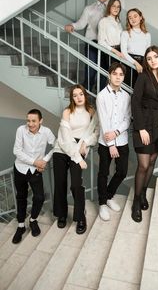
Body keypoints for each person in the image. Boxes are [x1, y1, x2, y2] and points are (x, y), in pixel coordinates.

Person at [131, 46, 158, 222]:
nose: (152, 60)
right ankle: (136, 201)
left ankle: (142, 195)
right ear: (146, 62)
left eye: (155, 57)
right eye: (148, 58)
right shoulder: (143, 77)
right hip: (145, 124)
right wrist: (140, 128)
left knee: (151, 162)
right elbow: (135, 102)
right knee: (142, 165)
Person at [53, 84, 99, 234]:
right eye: (75, 95)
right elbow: (65, 138)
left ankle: (80, 216)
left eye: (81, 94)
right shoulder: (67, 112)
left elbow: (96, 133)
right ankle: (62, 214)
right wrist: (78, 157)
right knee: (60, 183)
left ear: (85, 95)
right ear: (71, 98)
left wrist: (86, 143)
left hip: (80, 146)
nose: (78, 97)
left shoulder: (92, 111)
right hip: (62, 149)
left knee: (75, 184)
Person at [12, 109, 55, 244]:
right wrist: (36, 162)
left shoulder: (46, 132)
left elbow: (57, 145)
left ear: (40, 121)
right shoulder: (21, 130)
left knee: (39, 197)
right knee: (21, 196)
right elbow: (16, 151)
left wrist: (45, 160)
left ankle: (33, 220)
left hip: (36, 170)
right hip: (20, 168)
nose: (30, 124)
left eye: (33, 121)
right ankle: (20, 226)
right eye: (28, 120)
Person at [96, 62, 131, 221]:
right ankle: (102, 203)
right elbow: (104, 122)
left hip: (122, 140)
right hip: (105, 143)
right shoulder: (102, 96)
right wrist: (111, 145)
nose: (118, 77)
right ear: (109, 75)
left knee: (122, 171)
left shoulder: (126, 96)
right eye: (115, 74)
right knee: (103, 172)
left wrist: (117, 133)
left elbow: (127, 119)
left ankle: (109, 196)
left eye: (121, 74)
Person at [64, 0, 109, 91]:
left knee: (104, 72)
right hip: (92, 43)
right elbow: (81, 23)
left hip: (107, 46)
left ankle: (101, 96)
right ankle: (87, 94)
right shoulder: (89, 9)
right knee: (91, 71)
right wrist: (72, 26)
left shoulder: (111, 8)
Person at [98, 0, 125, 89]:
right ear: (109, 7)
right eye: (114, 6)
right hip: (110, 52)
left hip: (120, 50)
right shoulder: (104, 21)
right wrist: (115, 52)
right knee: (110, 77)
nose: (116, 8)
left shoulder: (118, 22)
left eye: (118, 7)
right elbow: (101, 41)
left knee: (118, 77)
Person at [121, 8, 151, 86]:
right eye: (130, 17)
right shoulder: (125, 33)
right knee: (128, 88)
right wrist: (135, 64)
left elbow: (148, 53)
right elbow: (123, 53)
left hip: (143, 63)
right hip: (129, 62)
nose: (133, 19)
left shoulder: (147, 35)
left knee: (140, 90)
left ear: (140, 17)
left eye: (135, 16)